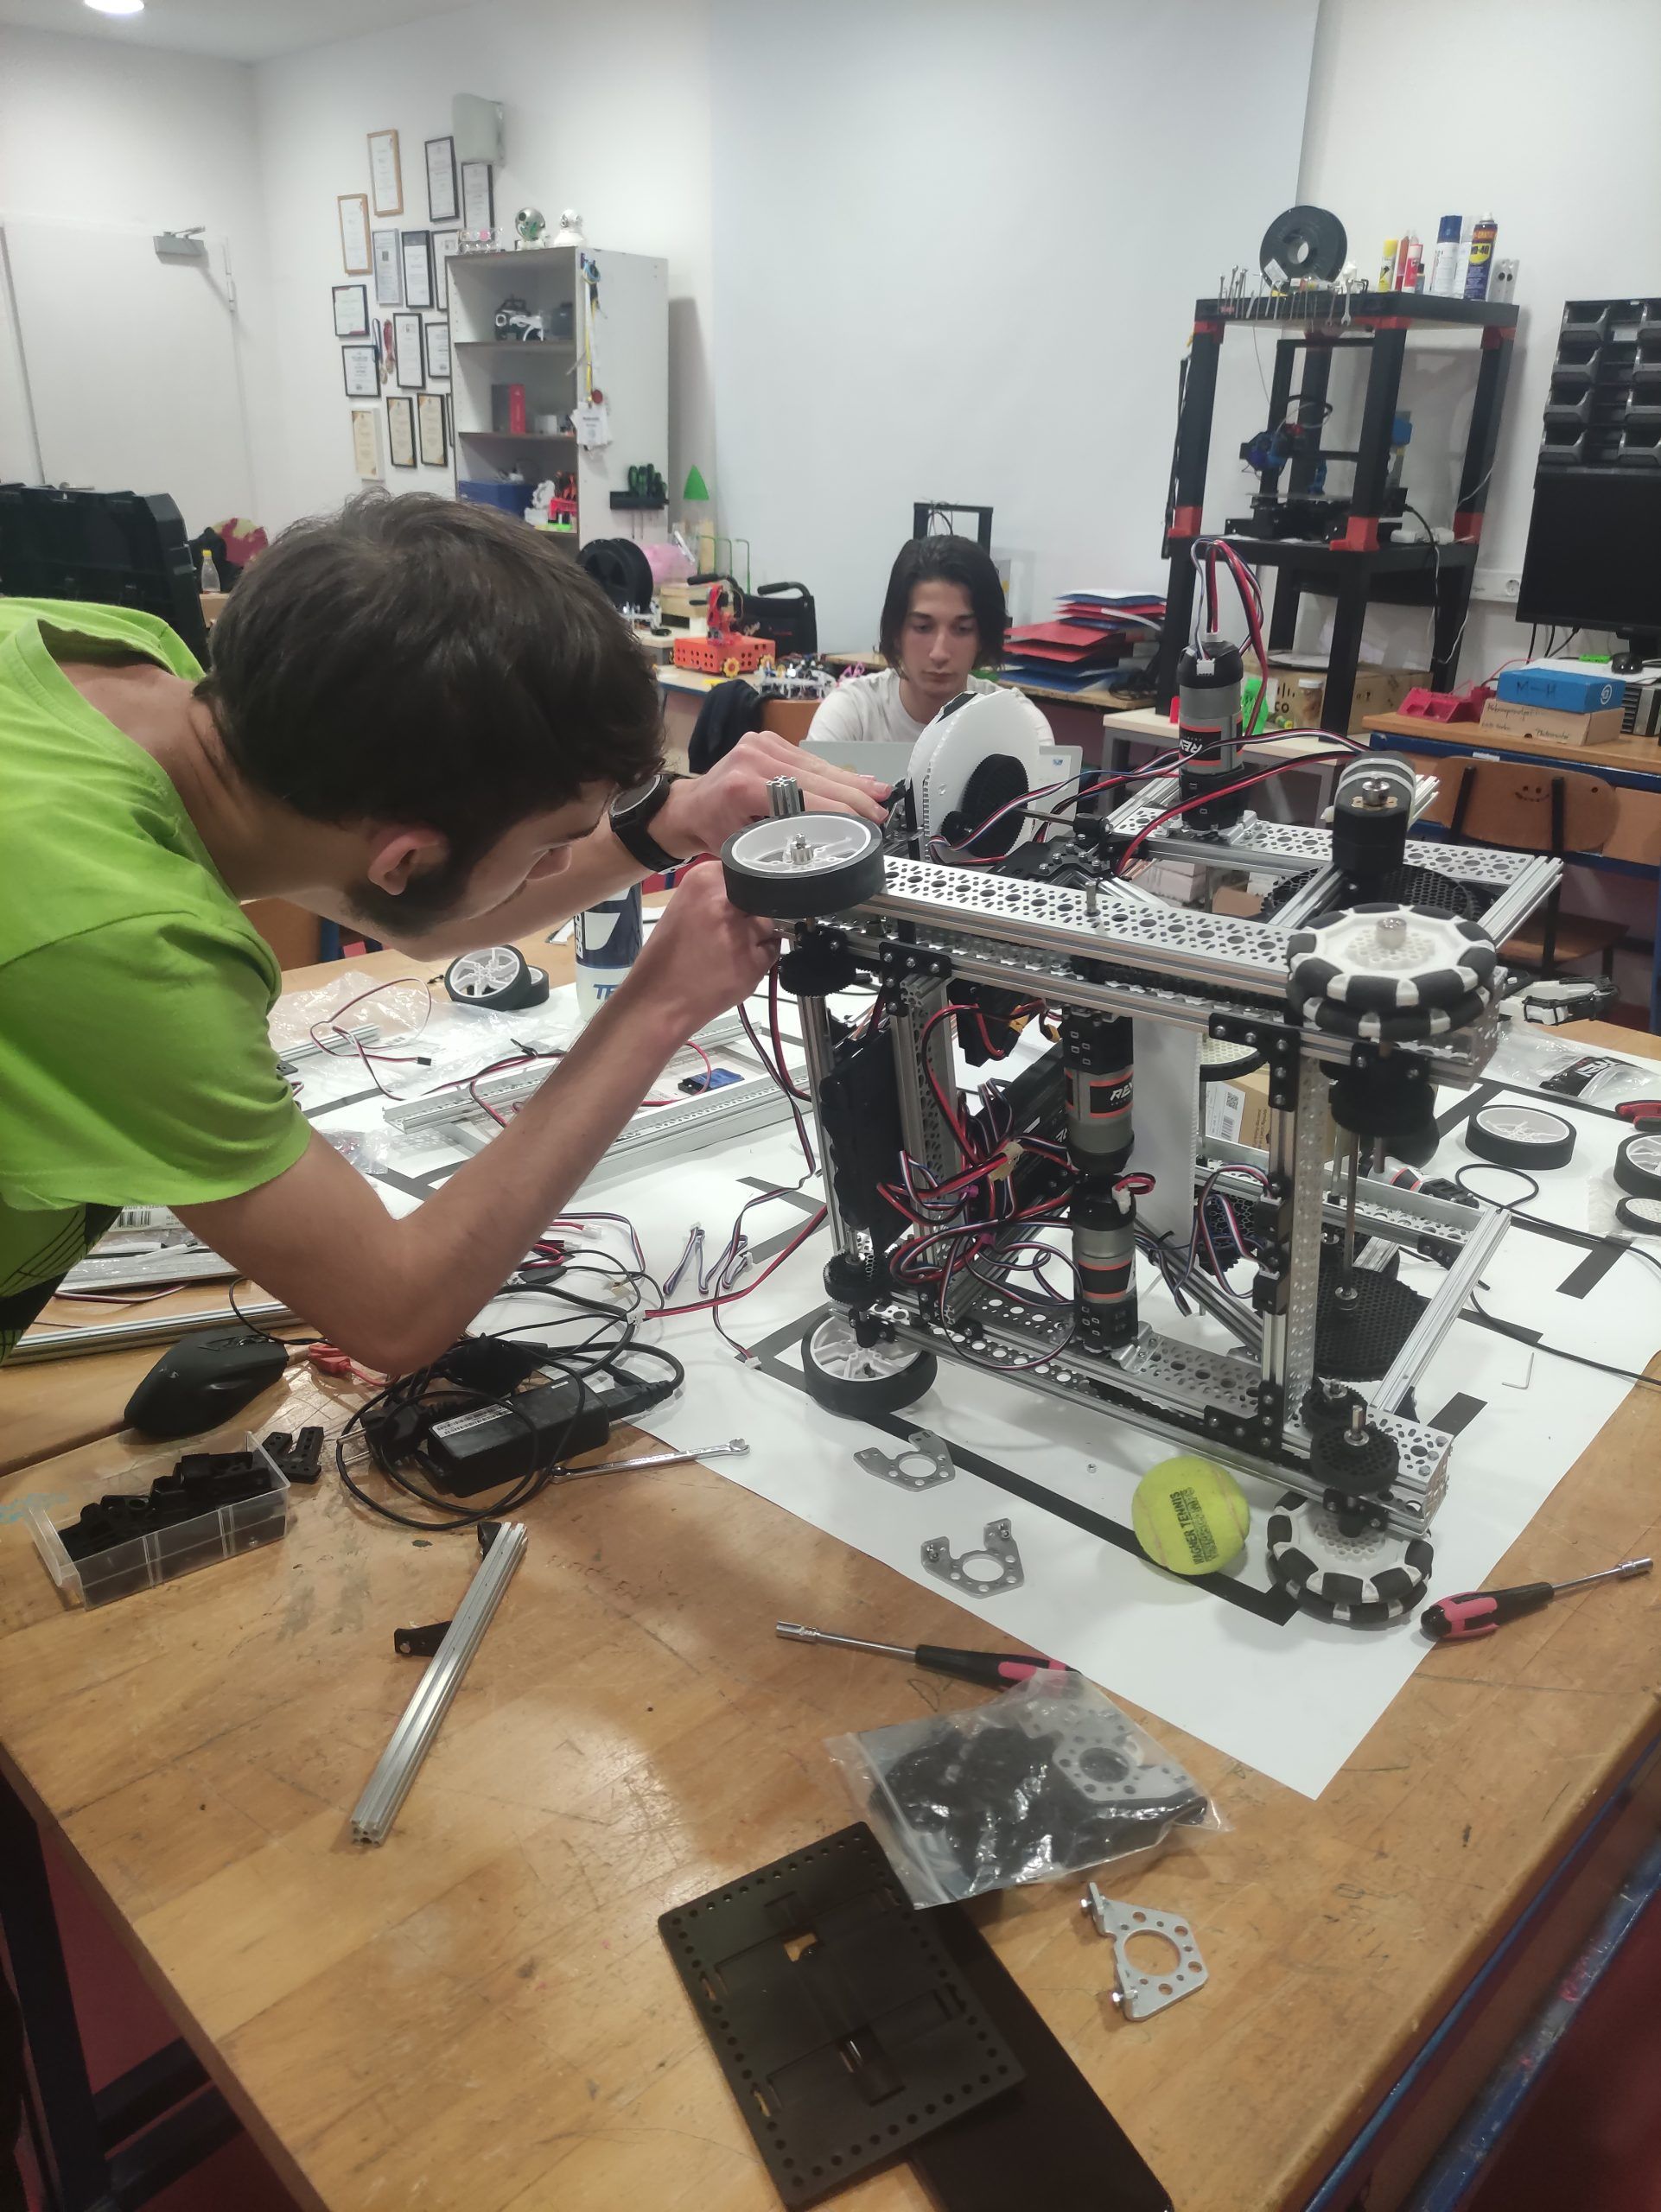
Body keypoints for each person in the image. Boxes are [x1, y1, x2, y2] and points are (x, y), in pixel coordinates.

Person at [0, 492, 888, 1372]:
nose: (560, 866)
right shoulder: (126, 944)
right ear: (406, 858)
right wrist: (658, 1005)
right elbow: (394, 1310)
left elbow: (416, 915)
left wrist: (664, 823)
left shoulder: (118, 663)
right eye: (549, 847)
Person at [809, 533, 1008, 747]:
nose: (939, 653)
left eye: (962, 629)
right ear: (896, 632)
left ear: (982, 637)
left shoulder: (1010, 719)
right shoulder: (852, 714)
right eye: (923, 627)